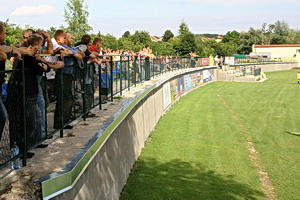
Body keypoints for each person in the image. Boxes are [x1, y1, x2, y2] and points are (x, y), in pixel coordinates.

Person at [6, 33, 51, 158]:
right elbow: (40, 69)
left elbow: (45, 69)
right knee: (29, 120)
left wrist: (42, 64)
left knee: (33, 119)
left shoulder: (33, 56)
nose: (41, 48)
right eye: (41, 45)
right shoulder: (27, 56)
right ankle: (20, 149)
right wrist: (42, 64)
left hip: (31, 92)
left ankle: (25, 147)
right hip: (24, 93)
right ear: (36, 45)